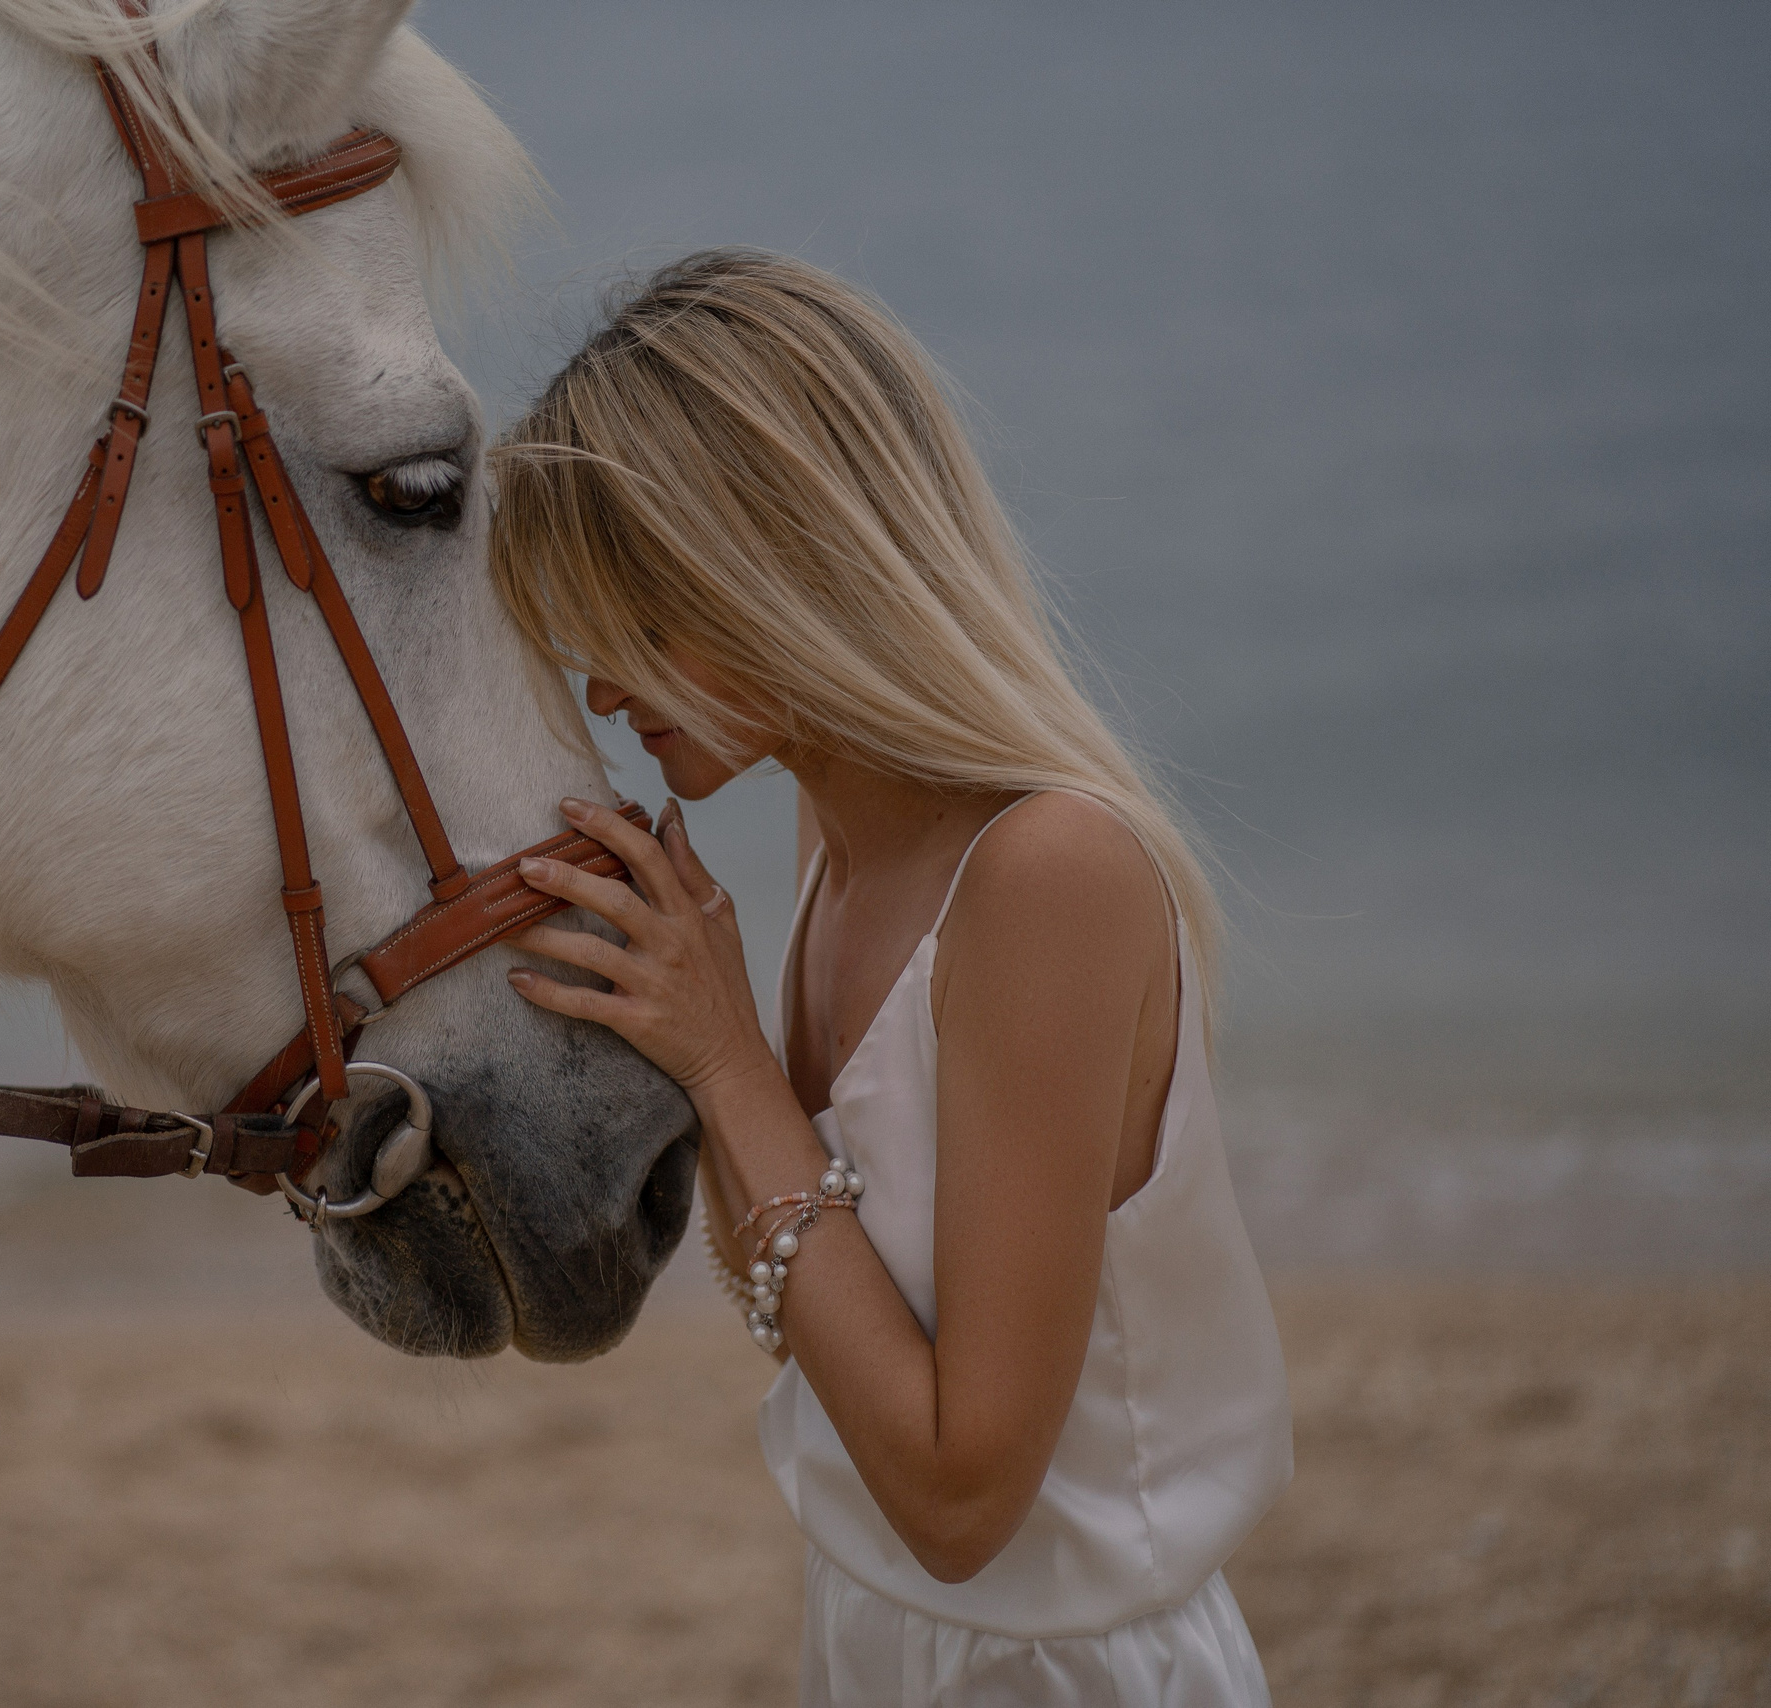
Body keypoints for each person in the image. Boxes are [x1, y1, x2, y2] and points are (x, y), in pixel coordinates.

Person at [490, 250, 1291, 1707]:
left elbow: (962, 1501)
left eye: (636, 620)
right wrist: (682, 1035)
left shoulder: (1048, 873)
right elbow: (785, 1299)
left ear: (783, 559)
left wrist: (731, 1062)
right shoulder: (832, 835)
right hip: (871, 1641)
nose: (601, 690)